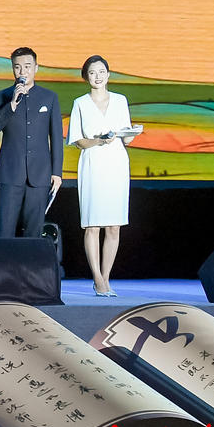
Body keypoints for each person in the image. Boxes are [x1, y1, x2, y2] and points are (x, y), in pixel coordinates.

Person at [67, 54, 137, 296]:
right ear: (86, 76)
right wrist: (99, 140)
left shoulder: (120, 100)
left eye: (101, 72)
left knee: (114, 226)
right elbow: (78, 140)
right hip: (93, 163)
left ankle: (106, 277)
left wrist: (132, 133)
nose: (97, 76)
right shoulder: (80, 103)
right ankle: (97, 278)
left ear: (108, 74)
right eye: (92, 72)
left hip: (117, 164)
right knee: (93, 225)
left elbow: (126, 138)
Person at [0, 46, 61, 238]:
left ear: (36, 68)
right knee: (5, 230)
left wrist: (56, 172)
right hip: (10, 173)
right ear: (13, 68)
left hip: (40, 174)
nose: (22, 71)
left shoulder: (49, 97)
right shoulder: (1, 96)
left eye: (27, 66)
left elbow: (56, 136)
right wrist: (12, 104)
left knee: (34, 232)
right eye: (17, 67)